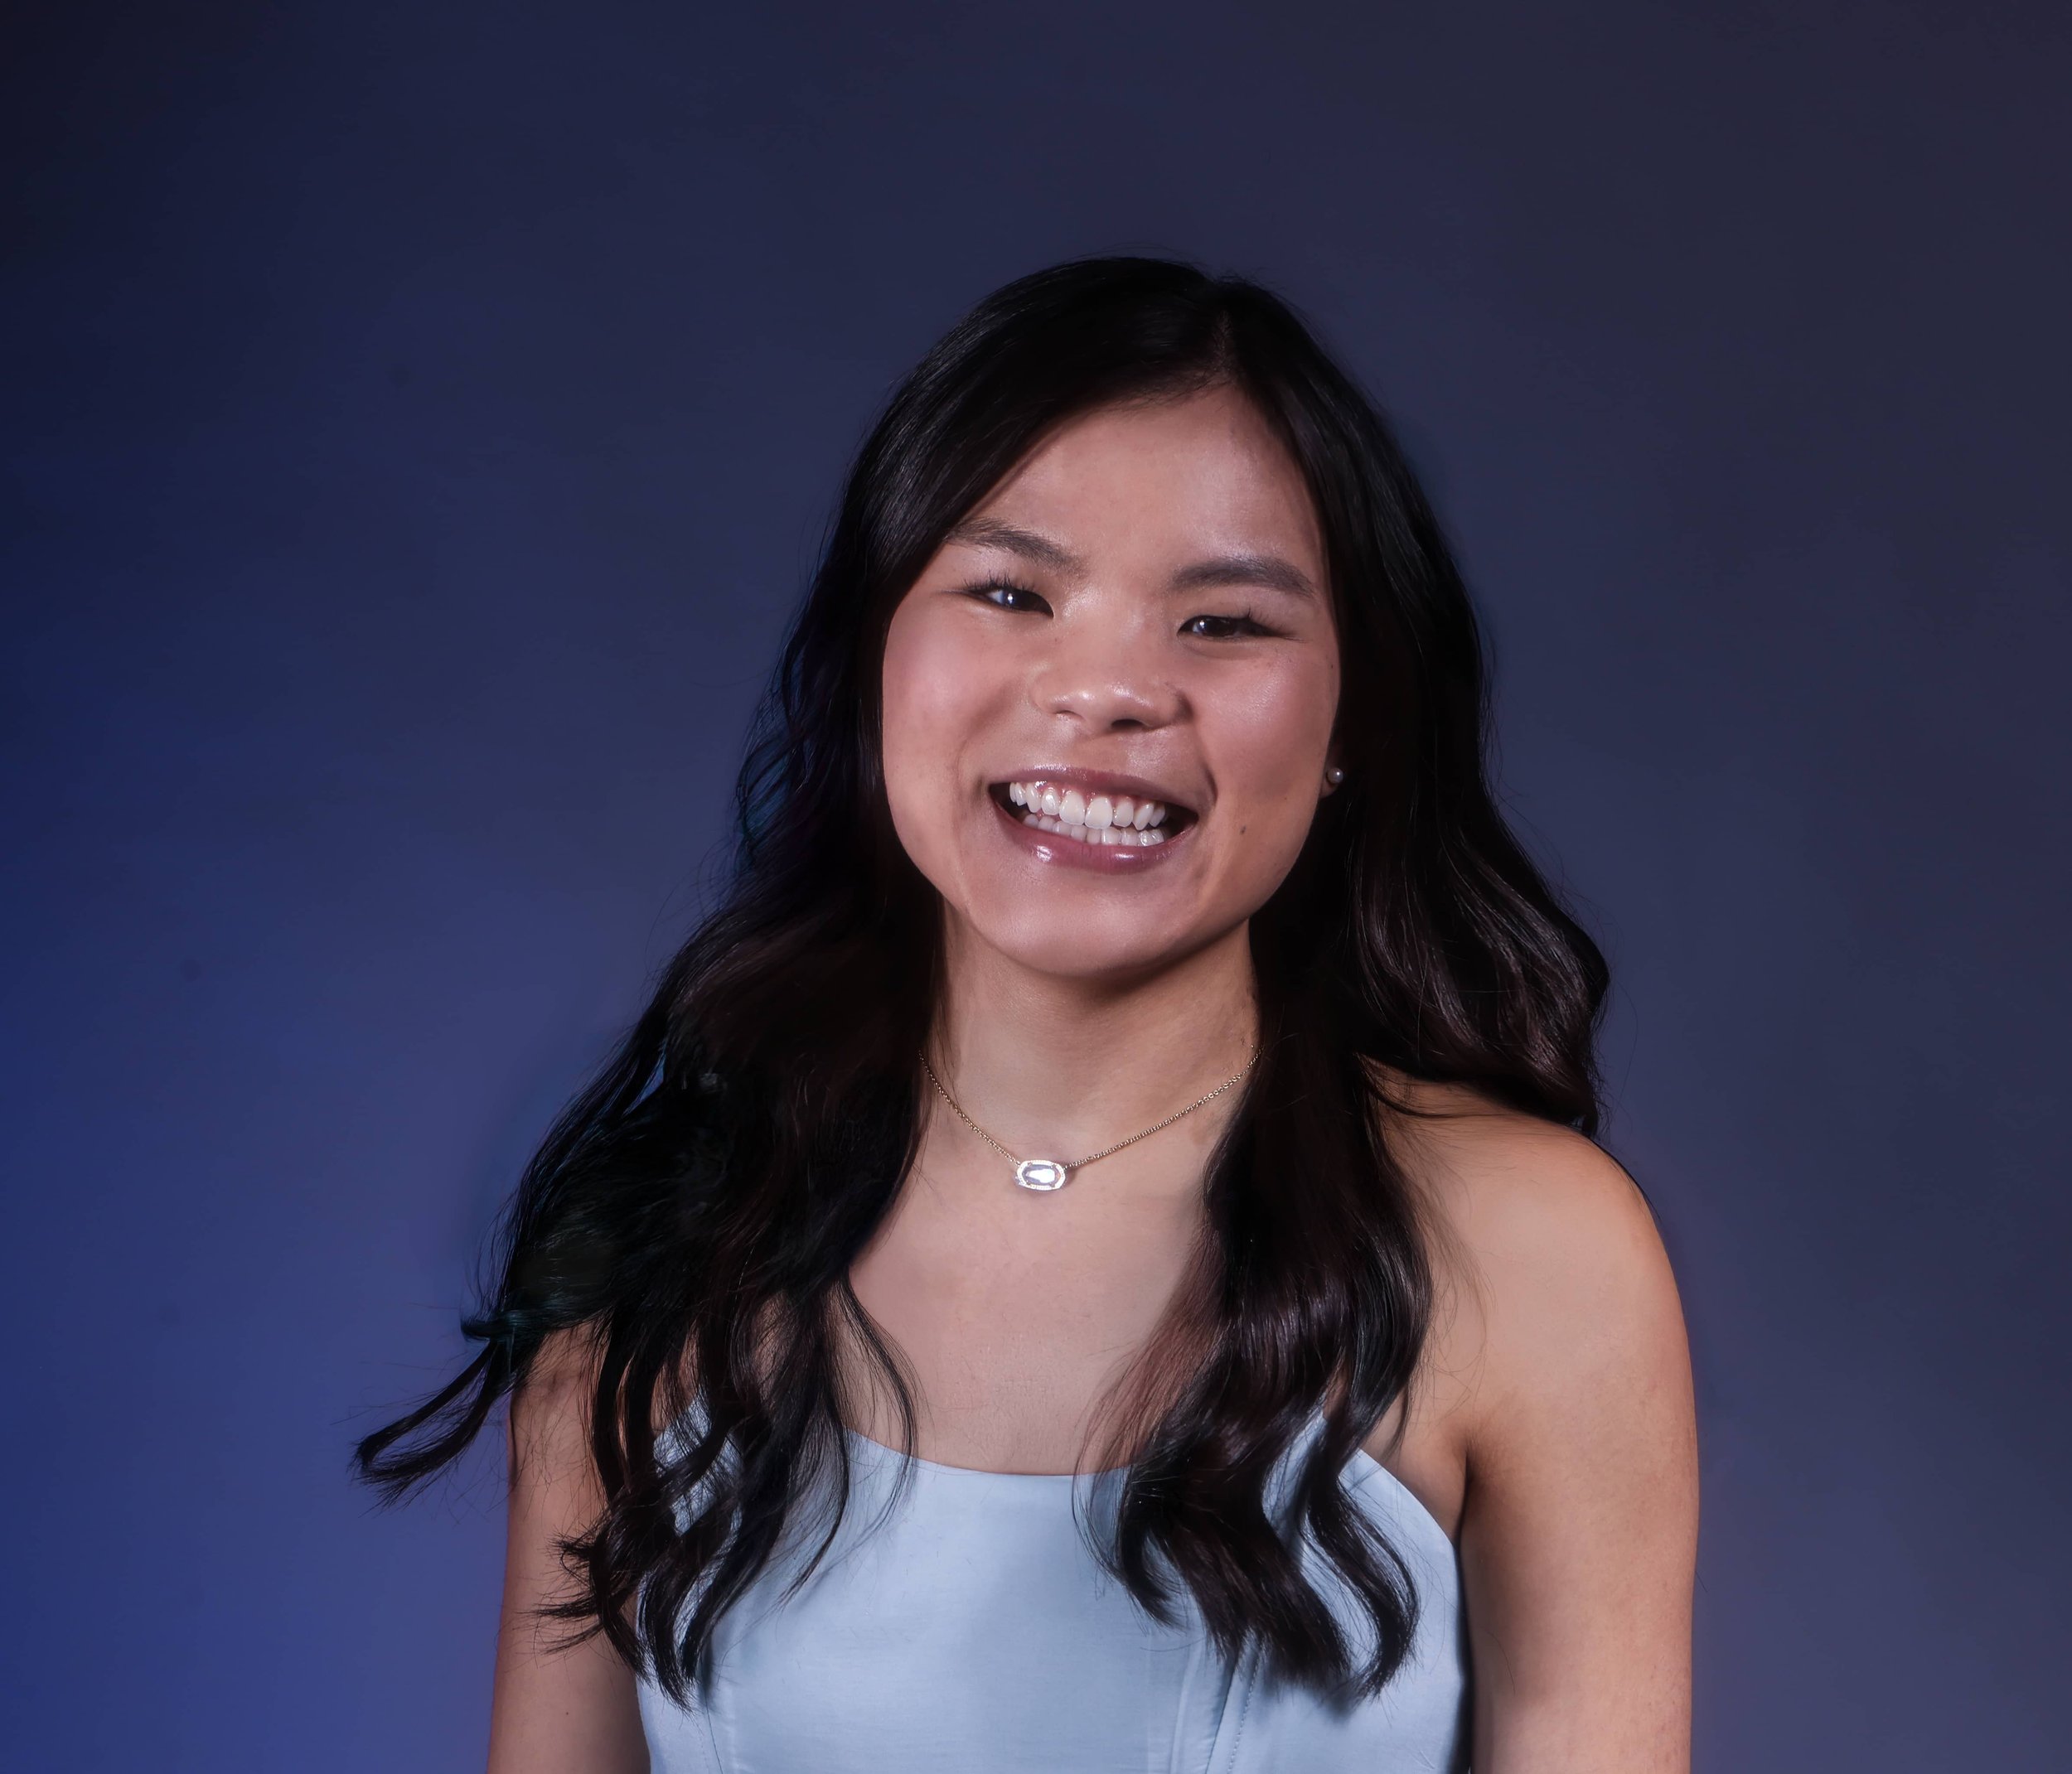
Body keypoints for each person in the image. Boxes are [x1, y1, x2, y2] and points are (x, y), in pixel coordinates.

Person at [359, 256, 1697, 1772]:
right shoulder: (668, 1230)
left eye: (1226, 623)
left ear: (1353, 726)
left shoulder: (1533, 1249)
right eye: (1011, 590)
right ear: (879, 656)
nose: (1106, 688)